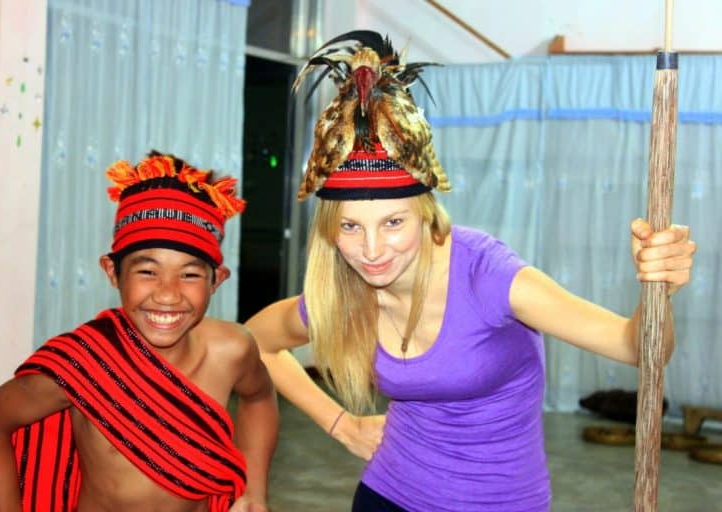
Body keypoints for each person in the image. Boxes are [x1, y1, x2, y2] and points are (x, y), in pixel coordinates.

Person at [243, 31, 697, 511]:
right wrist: (343, 425)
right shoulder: (342, 287)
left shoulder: (486, 275)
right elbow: (255, 341)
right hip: (387, 495)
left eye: (393, 222)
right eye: (351, 227)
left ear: (424, 211)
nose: (371, 250)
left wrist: (657, 291)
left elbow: (640, 348)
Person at [0, 151, 278, 512]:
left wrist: (255, 492)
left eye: (190, 274)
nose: (167, 293)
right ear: (112, 272)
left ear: (216, 281)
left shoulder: (233, 350)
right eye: (147, 271)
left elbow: (259, 398)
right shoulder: (83, 364)